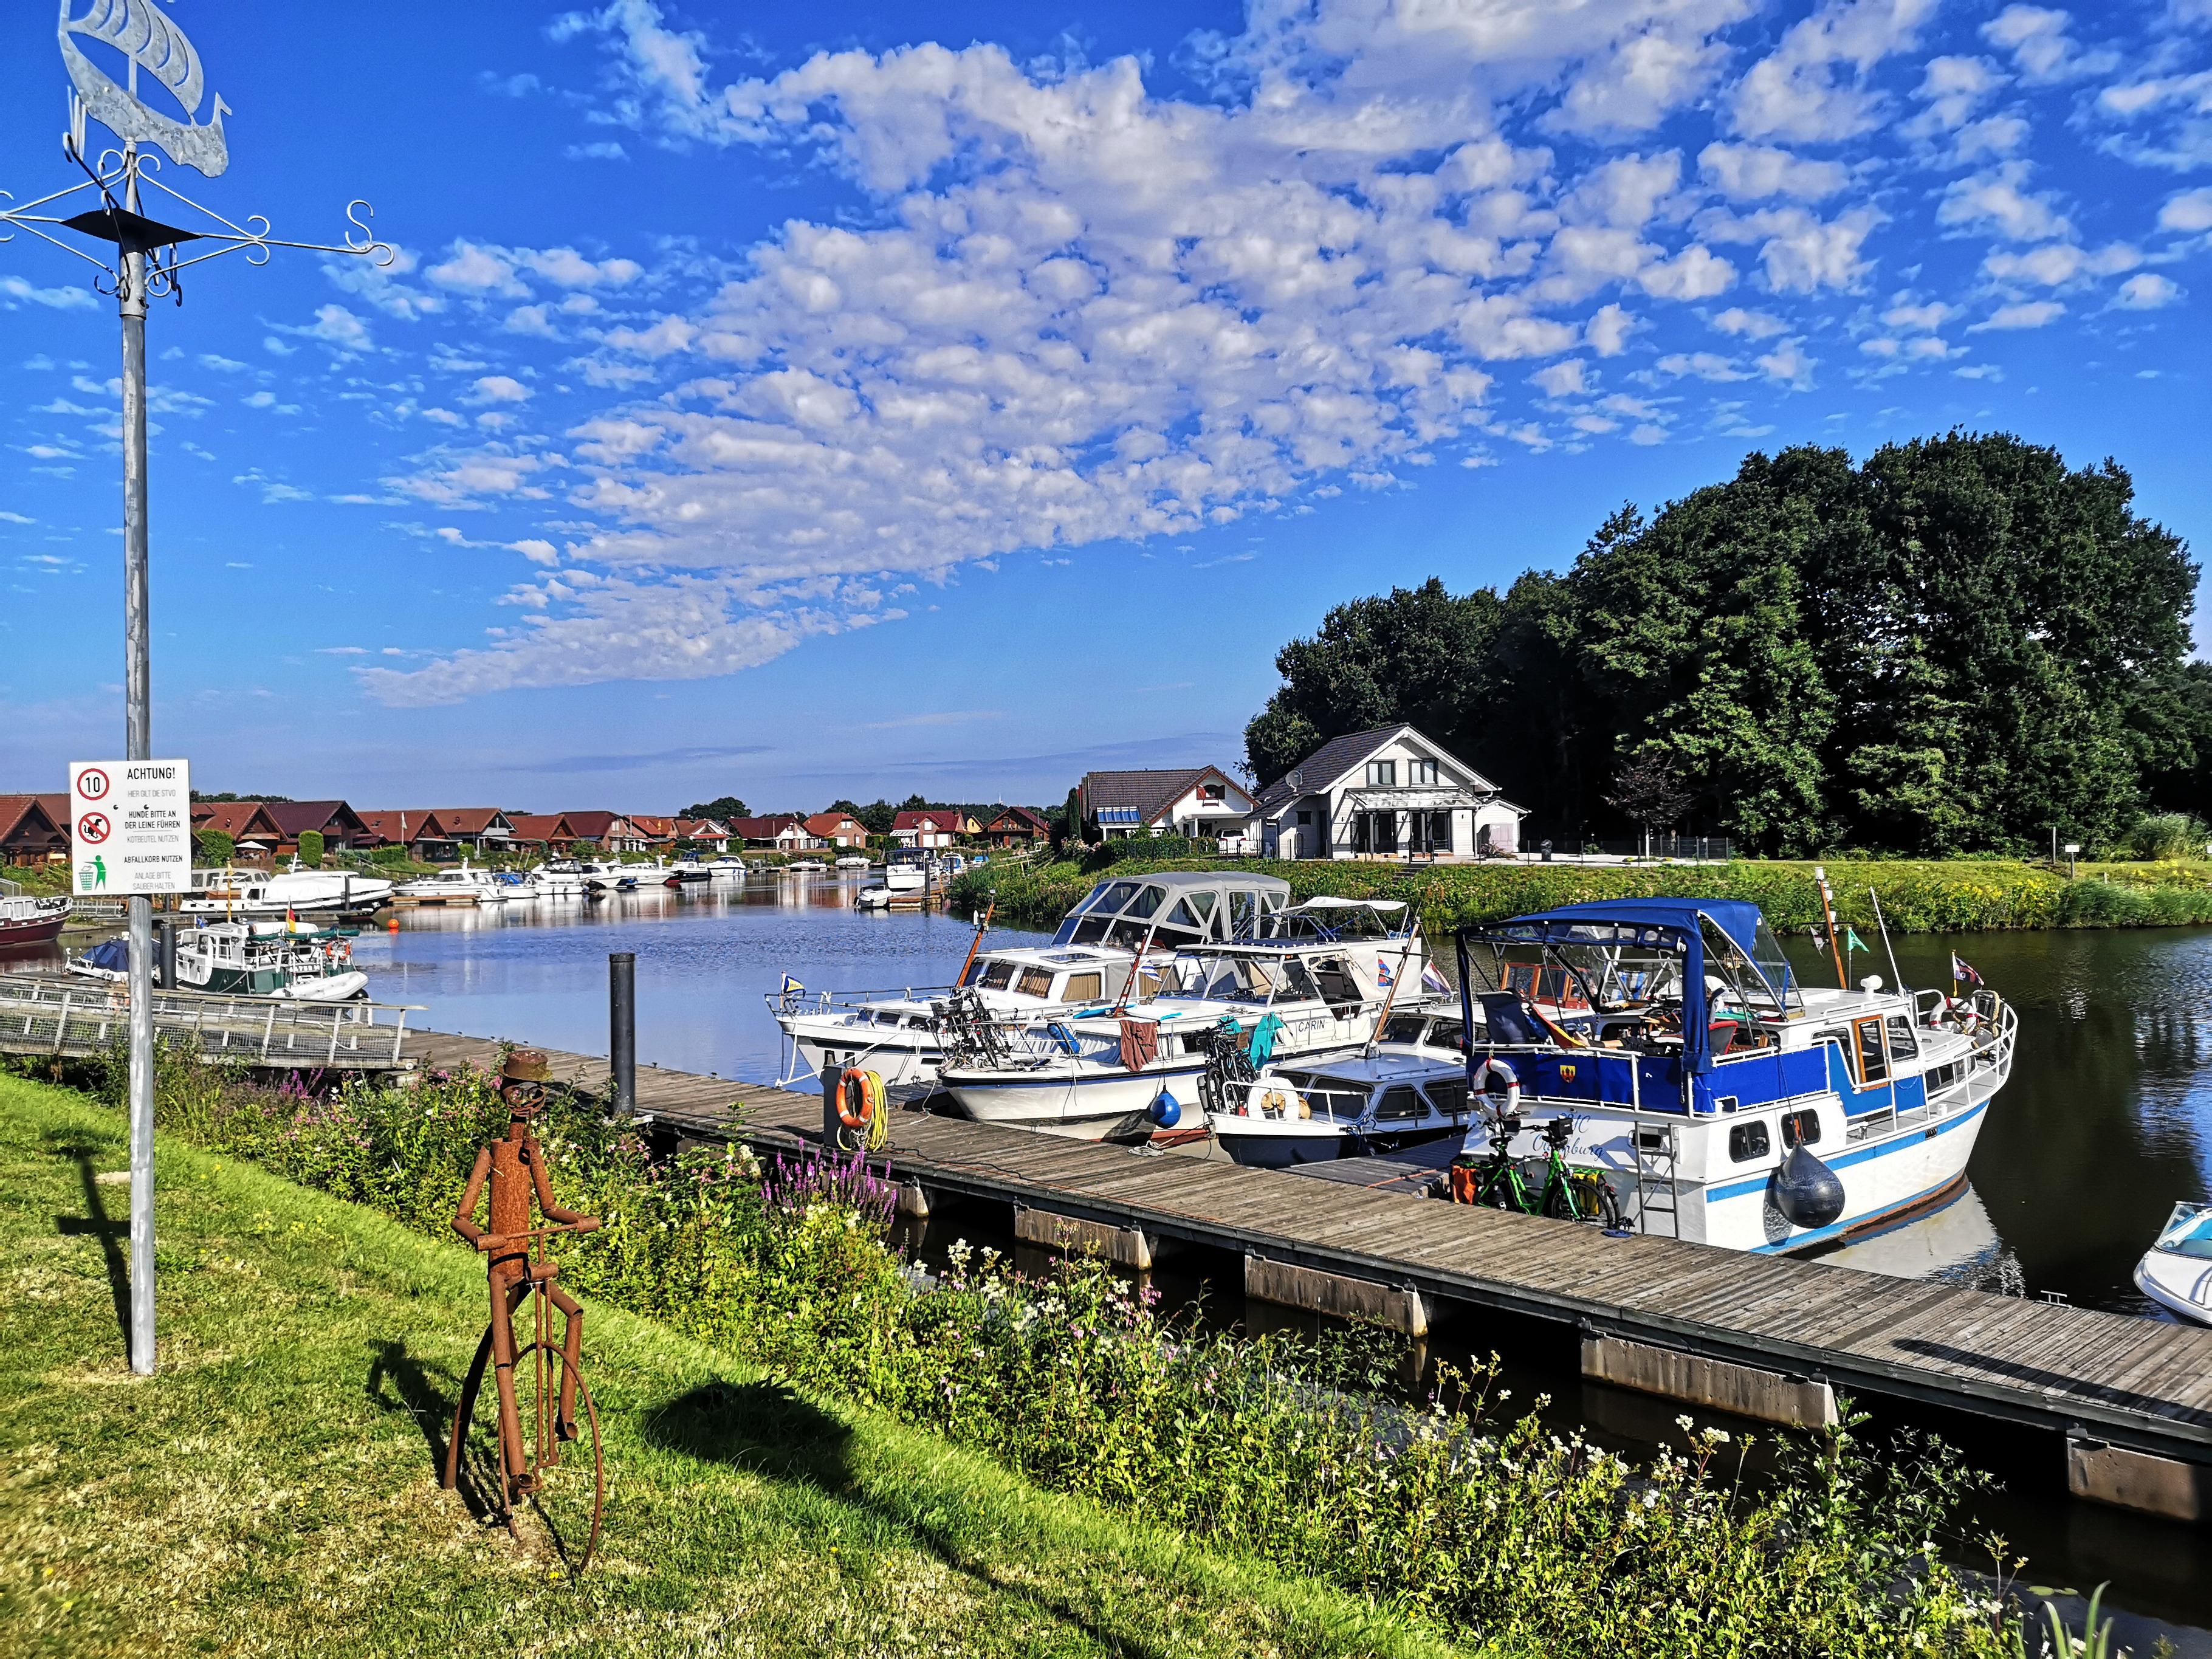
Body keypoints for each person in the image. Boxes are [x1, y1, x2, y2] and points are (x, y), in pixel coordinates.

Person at [450, 1049, 599, 1492]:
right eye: (521, 1093)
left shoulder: (532, 1153)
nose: (528, 1103)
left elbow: (549, 1207)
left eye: (537, 1094)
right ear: (506, 1093)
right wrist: (480, 1236)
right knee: (503, 1359)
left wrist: (578, 1219)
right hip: (502, 1266)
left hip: (528, 1260)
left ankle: (564, 1419)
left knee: (573, 1313)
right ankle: (517, 1468)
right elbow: (462, 1215)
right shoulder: (491, 1153)